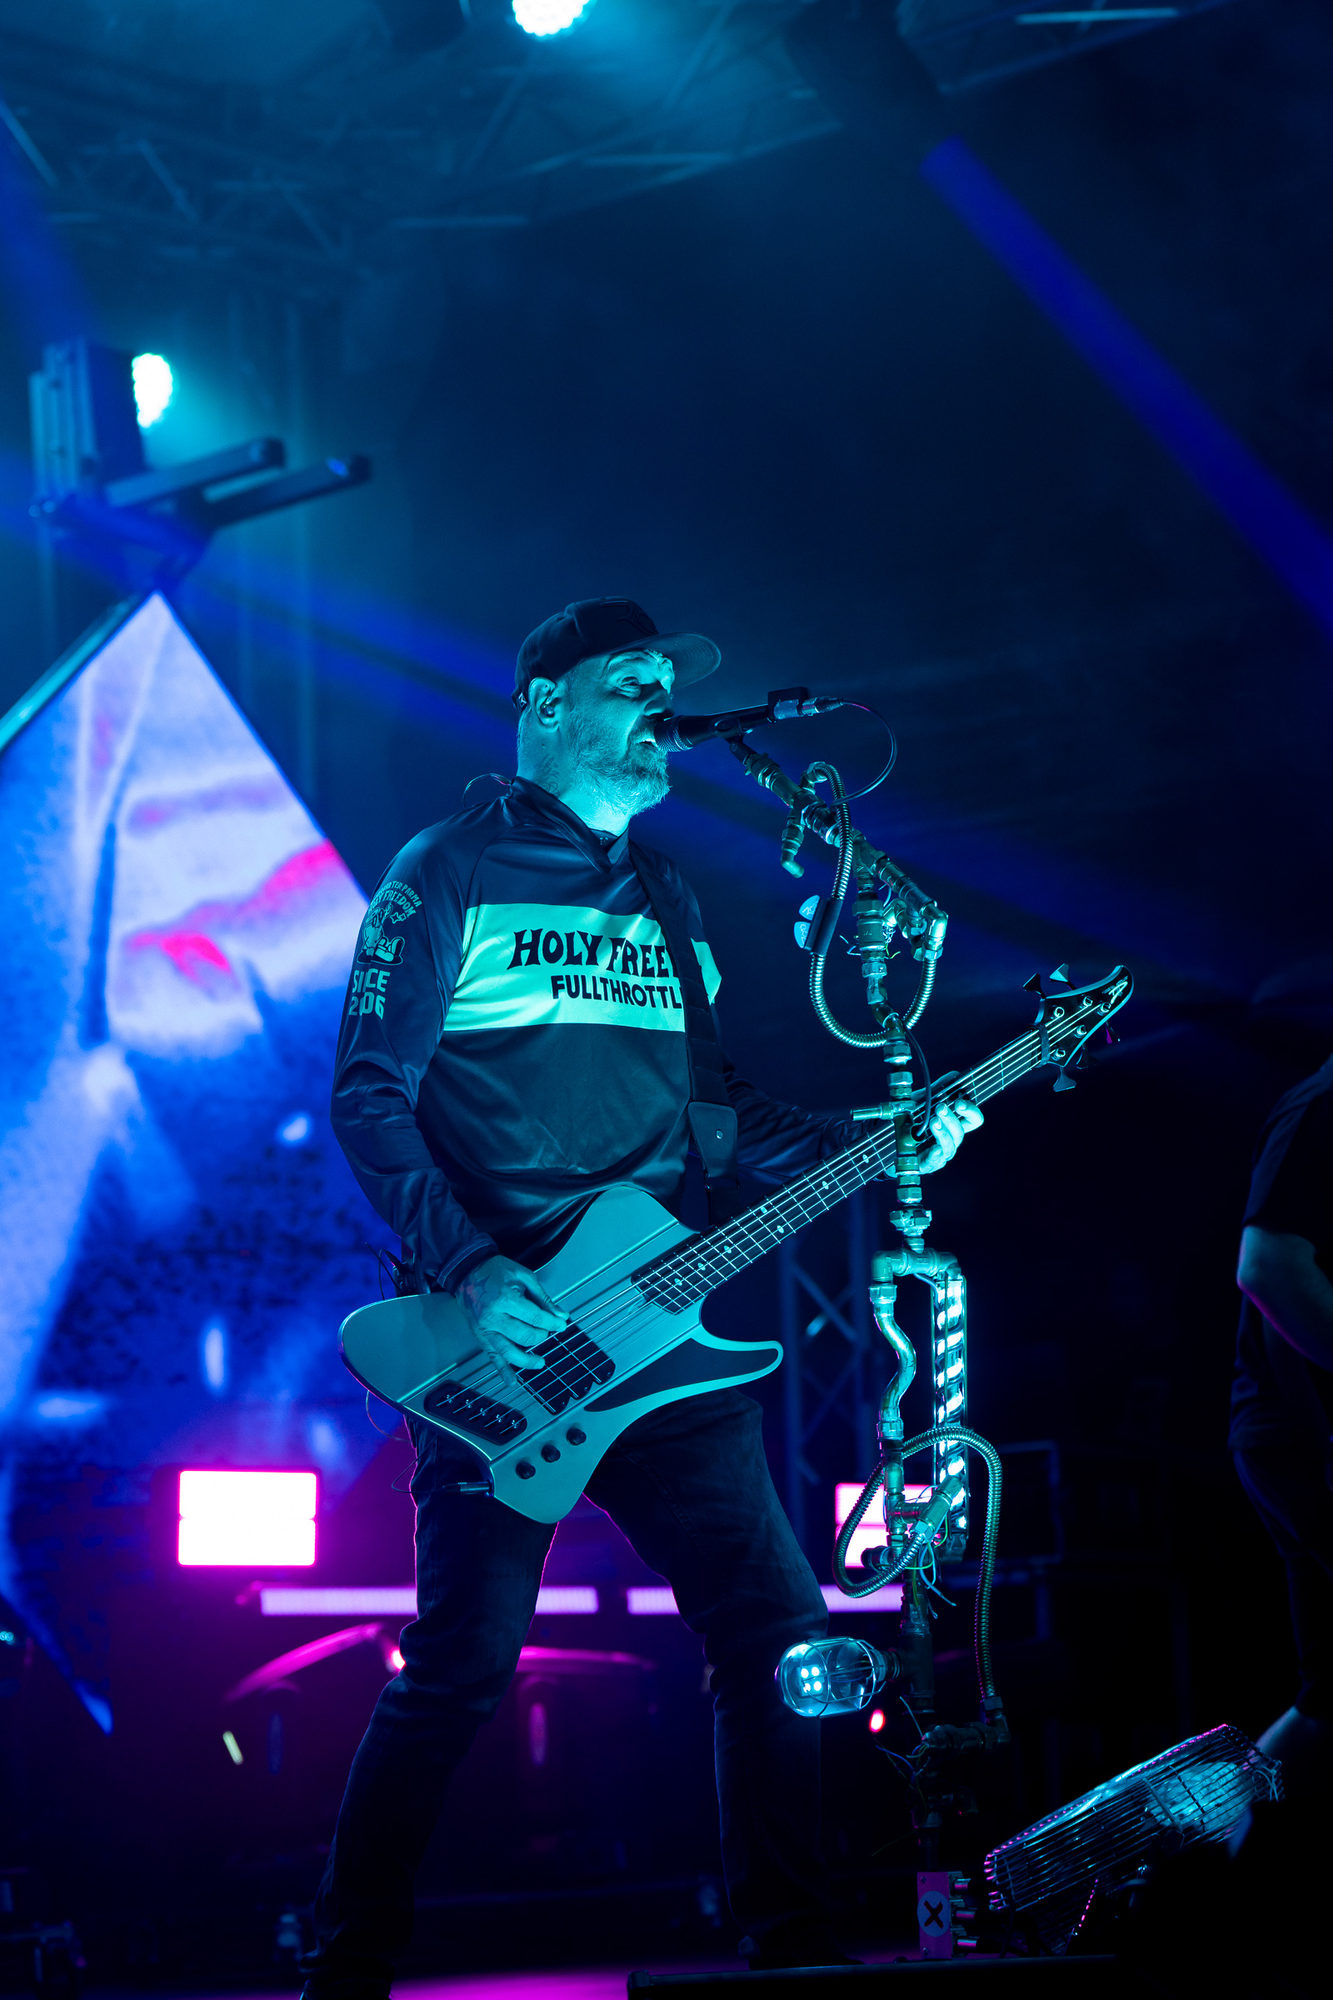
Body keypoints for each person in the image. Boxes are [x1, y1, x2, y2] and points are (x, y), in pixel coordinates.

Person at [304, 597, 981, 1995]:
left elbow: (719, 1117)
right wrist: (472, 1265)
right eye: (632, 684)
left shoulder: (666, 896)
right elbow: (369, 1093)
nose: (661, 709)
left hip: (662, 1339)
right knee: (463, 1662)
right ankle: (348, 1958)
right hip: (507, 1341)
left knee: (779, 1628)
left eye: (670, 685)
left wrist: (876, 1136)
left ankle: (789, 1939)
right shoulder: (447, 869)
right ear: (547, 703)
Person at [1229, 1053, 1333, 1826]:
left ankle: (1194, 1868)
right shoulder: (1322, 1104)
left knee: (1329, 1698)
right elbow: (1267, 1267)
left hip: (1297, 1430)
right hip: (1306, 1431)